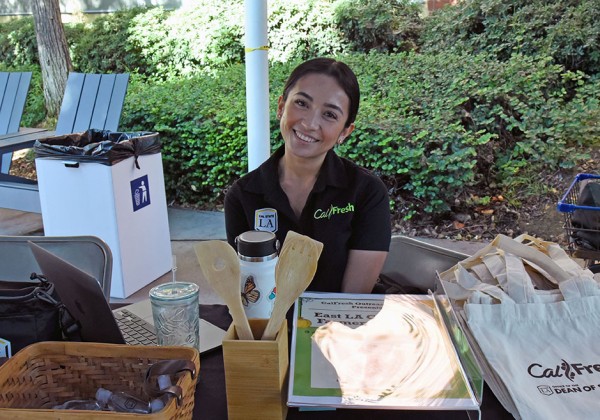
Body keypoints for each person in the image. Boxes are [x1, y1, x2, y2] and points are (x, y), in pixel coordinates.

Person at [225, 57, 391, 293]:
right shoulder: (243, 195)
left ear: (345, 132)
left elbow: (353, 299)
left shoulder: (366, 193)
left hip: (340, 325)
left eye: (330, 115)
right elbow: (249, 291)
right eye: (302, 103)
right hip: (270, 327)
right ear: (281, 106)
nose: (310, 123)